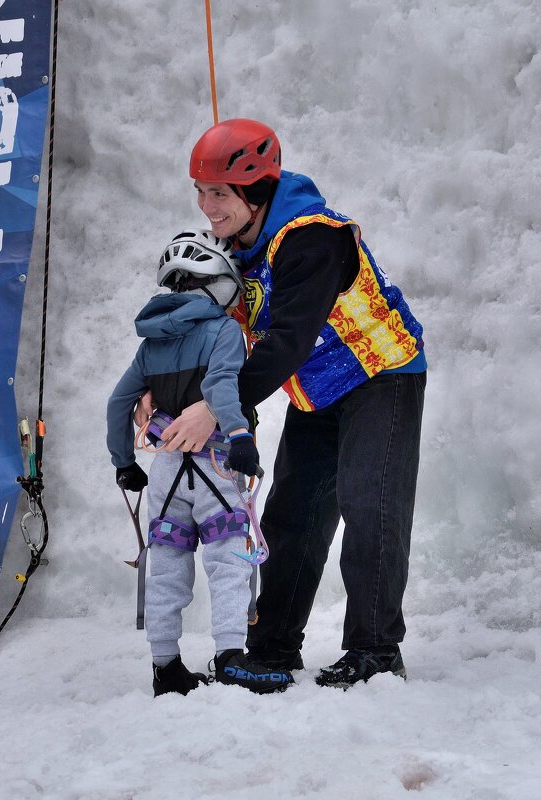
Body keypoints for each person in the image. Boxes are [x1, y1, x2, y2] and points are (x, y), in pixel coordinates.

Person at [152, 118, 427, 688]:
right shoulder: (232, 246)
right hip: (317, 391)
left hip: (381, 375)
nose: (206, 207)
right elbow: (202, 328)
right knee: (292, 514)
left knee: (369, 505)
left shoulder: (312, 239)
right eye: (200, 191)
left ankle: (376, 651)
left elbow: (288, 341)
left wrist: (218, 408)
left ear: (255, 191)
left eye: (218, 193)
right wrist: (161, 390)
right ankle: (272, 649)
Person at [106, 229, 295, 697]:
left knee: (167, 567)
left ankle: (165, 667)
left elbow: (118, 403)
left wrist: (124, 462)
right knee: (229, 561)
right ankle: (230, 657)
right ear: (218, 283)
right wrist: (240, 435)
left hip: (166, 469)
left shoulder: (151, 343)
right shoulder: (224, 330)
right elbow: (221, 385)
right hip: (215, 463)